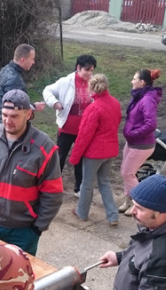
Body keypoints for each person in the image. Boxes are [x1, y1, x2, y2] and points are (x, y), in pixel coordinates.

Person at [0, 89, 63, 256]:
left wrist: (37, 228)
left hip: (24, 232)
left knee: (18, 279)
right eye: (4, 115)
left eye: (14, 116)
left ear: (28, 114)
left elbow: (53, 194)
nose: (7, 121)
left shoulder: (44, 148)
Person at [68, 73, 122, 226]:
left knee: (87, 183)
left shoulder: (93, 108)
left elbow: (84, 135)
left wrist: (74, 157)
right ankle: (113, 215)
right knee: (104, 182)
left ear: (91, 88)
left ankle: (82, 212)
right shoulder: (115, 103)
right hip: (110, 150)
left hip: (94, 153)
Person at [43, 54, 97, 196]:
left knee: (80, 158)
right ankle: (53, 186)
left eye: (92, 70)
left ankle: (78, 188)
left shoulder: (93, 82)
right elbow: (47, 90)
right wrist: (55, 103)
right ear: (78, 68)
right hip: (66, 128)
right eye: (87, 70)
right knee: (60, 157)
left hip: (84, 130)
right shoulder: (65, 82)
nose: (90, 73)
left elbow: (97, 100)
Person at [119, 68, 163, 216]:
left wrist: (134, 133)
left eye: (134, 78)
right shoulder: (140, 96)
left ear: (142, 82)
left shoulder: (147, 99)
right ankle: (128, 201)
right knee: (126, 172)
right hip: (132, 142)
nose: (132, 81)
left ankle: (139, 204)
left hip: (141, 144)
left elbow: (151, 124)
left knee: (128, 173)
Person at [0, 43, 46, 124]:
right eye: (32, 59)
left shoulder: (5, 69)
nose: (33, 62)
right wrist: (34, 106)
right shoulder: (14, 80)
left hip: (1, 120)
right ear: (22, 60)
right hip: (9, 125)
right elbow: (16, 107)